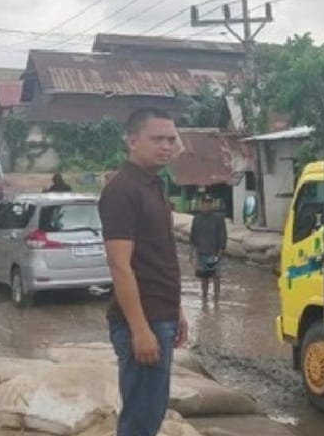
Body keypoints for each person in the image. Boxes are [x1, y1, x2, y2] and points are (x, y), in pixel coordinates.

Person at [99, 108, 188, 436]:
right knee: (140, 419)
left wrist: (175, 309)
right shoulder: (123, 190)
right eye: (157, 139)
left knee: (151, 412)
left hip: (159, 315)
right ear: (133, 141)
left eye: (171, 139)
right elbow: (120, 265)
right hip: (142, 321)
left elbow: (158, 257)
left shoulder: (154, 186)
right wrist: (139, 329)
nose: (166, 146)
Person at [189, 194, 227, 303]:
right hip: (201, 253)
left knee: (216, 277)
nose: (207, 206)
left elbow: (222, 237)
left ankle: (216, 300)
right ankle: (204, 300)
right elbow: (193, 237)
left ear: (212, 205)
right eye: (205, 203)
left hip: (214, 253)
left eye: (209, 204)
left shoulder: (218, 219)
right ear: (202, 204)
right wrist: (191, 254)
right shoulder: (197, 219)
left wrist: (220, 253)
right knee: (203, 278)